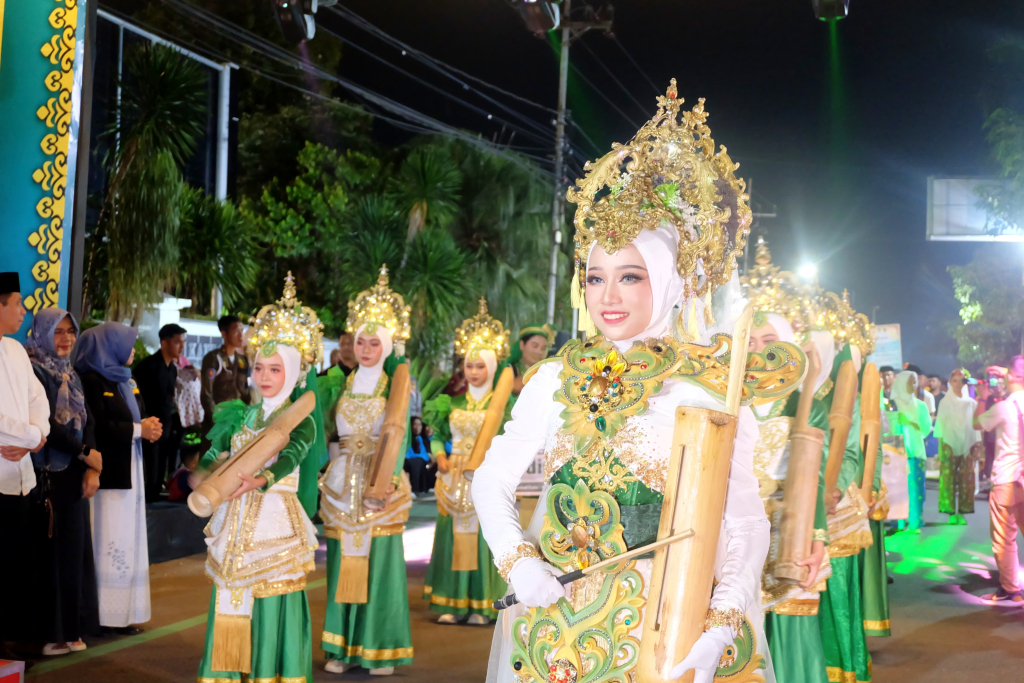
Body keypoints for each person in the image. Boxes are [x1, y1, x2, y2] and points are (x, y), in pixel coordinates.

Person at [473, 81, 788, 683]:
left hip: (669, 627)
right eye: (595, 277)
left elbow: (745, 521)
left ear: (670, 282)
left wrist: (722, 621)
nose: (608, 297)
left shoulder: (710, 385)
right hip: (557, 634)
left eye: (631, 277)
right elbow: (490, 477)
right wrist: (518, 565)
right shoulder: (555, 377)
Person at [195, 273, 326, 683]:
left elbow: (294, 454)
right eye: (259, 367)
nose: (265, 376)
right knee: (233, 591)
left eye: (275, 368)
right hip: (235, 516)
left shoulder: (301, 417)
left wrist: (265, 478)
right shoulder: (241, 412)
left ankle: (270, 671)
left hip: (274, 518)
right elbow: (218, 451)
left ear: (293, 372)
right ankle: (228, 672)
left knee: (270, 591)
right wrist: (205, 469)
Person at [320, 265, 414, 676]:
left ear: (388, 345)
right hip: (341, 486)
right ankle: (340, 649)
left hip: (379, 481)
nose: (365, 348)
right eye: (360, 341)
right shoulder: (338, 384)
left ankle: (380, 648)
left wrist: (389, 478)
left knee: (380, 567)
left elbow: (401, 433)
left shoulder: (396, 386)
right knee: (342, 565)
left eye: (374, 343)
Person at [746, 309, 831, 683]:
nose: (760, 351)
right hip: (737, 529)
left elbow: (815, 476)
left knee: (790, 620)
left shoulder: (805, 401)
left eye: (770, 341)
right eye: (749, 342)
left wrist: (817, 537)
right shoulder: (728, 396)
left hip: (789, 528)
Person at [422, 298, 511, 625]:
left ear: (492, 366)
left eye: (480, 366)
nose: (473, 372)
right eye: (469, 366)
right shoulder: (450, 401)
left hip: (486, 476)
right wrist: (440, 455)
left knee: (485, 534)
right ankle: (451, 602)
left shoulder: (504, 404)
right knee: (451, 534)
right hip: (453, 477)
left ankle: (482, 604)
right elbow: (436, 435)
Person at [76, 323, 162, 633]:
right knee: (108, 540)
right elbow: (97, 427)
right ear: (109, 346)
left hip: (131, 471)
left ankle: (123, 614)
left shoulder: (127, 380)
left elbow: (133, 416)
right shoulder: (90, 379)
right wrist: (140, 430)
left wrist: (148, 425)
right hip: (107, 475)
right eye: (128, 344)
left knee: (128, 540)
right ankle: (99, 616)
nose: (134, 350)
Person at [25, 309, 101, 655]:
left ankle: (71, 629)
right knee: (51, 555)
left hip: (73, 475)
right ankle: (50, 634)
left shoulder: (70, 372)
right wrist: (85, 452)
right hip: (47, 474)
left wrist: (92, 466)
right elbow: (48, 427)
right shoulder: (34, 370)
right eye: (58, 332)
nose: (66, 339)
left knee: (74, 553)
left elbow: (88, 419)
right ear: (41, 333)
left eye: (70, 332)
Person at [0, 272, 51, 653]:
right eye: (17, 303)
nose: (23, 310)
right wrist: (31, 438)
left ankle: (12, 639)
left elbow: (40, 401)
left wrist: (35, 436)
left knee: (15, 564)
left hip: (22, 477)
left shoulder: (16, 350)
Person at [974, 357, 1024, 604]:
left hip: (1007, 479)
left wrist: (983, 395)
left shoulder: (1004, 407)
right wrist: (1010, 374)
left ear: (1010, 377)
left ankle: (1011, 590)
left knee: (1005, 538)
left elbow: (978, 423)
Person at [133, 323, 184, 501]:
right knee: (150, 467)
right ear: (164, 343)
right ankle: (147, 503)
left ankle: (155, 496)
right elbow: (138, 398)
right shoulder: (148, 366)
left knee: (162, 465)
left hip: (166, 424)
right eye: (177, 342)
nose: (181, 347)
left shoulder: (173, 369)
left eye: (183, 342)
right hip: (148, 425)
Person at [935, 369, 979, 525]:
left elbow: (975, 426)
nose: (957, 384)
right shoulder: (945, 402)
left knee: (966, 480)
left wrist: (977, 447)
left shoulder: (971, 404)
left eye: (961, 381)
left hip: (967, 444)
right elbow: (940, 427)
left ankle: (963, 512)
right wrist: (940, 450)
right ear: (949, 382)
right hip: (949, 444)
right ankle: (950, 513)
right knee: (948, 480)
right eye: (954, 380)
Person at [890, 370, 931, 532]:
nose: (912, 384)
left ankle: (915, 520)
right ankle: (898, 521)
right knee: (897, 488)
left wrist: (910, 422)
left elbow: (926, 429)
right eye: (909, 381)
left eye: (914, 381)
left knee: (916, 487)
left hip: (915, 451)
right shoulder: (893, 404)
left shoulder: (920, 405)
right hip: (896, 452)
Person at [200, 315, 250, 438]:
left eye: (242, 331)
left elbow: (245, 392)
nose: (240, 335)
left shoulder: (242, 360)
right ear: (224, 334)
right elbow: (206, 395)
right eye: (236, 331)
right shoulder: (214, 359)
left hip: (237, 422)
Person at [499, 323, 555, 399]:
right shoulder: (510, 369)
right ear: (522, 345)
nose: (538, 351)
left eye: (543, 348)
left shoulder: (548, 372)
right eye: (534, 345)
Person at [165, 431, 202, 502]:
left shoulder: (179, 473)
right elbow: (196, 490)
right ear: (192, 462)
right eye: (198, 460)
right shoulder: (185, 476)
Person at [404, 416, 434, 496]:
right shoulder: (407, 439)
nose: (417, 427)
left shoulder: (422, 439)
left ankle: (429, 486)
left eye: (419, 425)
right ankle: (414, 489)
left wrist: (429, 458)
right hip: (409, 460)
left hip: (422, 461)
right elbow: (407, 454)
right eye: (415, 425)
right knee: (416, 462)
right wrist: (424, 456)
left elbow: (427, 453)